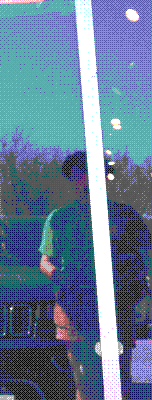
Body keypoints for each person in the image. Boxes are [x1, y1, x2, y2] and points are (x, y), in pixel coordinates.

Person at [39, 151, 149, 400]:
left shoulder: (125, 215)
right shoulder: (59, 218)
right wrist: (63, 277)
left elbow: (144, 256)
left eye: (91, 172)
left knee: (118, 379)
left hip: (117, 307)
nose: (85, 179)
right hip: (75, 308)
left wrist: (135, 284)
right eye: (79, 173)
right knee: (83, 381)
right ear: (71, 179)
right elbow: (45, 262)